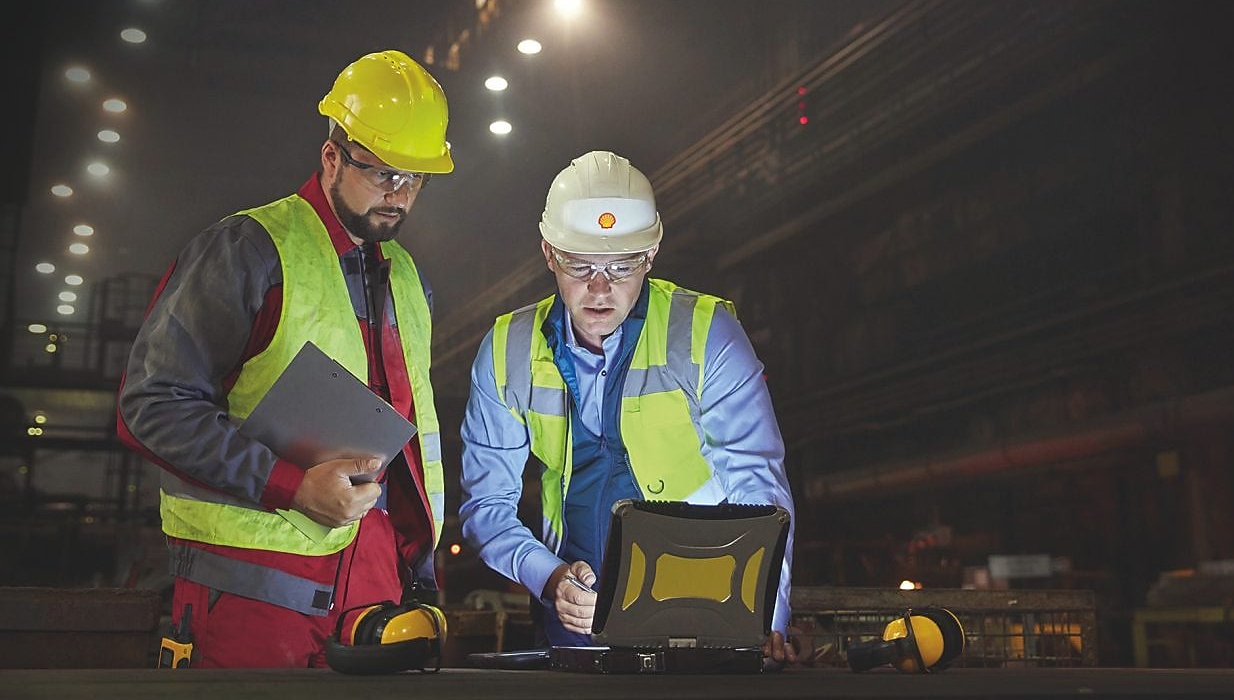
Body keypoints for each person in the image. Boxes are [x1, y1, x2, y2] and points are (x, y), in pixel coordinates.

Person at [116, 49, 453, 668]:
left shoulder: (408, 277)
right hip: (251, 587)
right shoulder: (246, 251)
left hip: (375, 582)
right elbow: (152, 405)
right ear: (332, 156)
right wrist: (290, 487)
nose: (399, 195)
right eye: (383, 174)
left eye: (416, 179)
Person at [458, 150, 798, 664]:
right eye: (579, 264)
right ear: (548, 252)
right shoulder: (506, 351)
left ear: (652, 253)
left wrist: (763, 623)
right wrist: (548, 578)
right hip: (573, 617)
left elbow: (761, 493)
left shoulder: (707, 336)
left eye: (621, 266)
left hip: (704, 617)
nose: (600, 288)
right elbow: (487, 506)